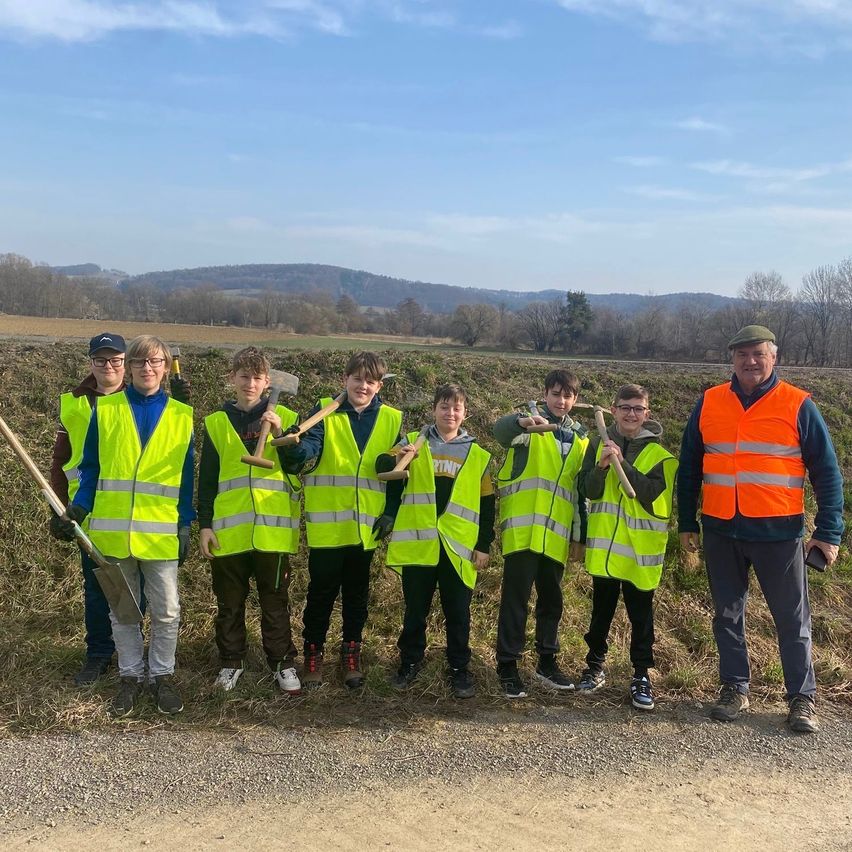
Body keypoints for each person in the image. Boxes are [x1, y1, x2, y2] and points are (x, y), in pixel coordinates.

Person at [678, 325, 844, 733]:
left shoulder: (798, 404)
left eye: (758, 354)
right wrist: (686, 522)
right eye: (742, 355)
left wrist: (828, 531)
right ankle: (734, 688)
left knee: (791, 619)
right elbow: (689, 467)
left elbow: (827, 472)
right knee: (726, 615)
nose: (750, 361)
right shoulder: (709, 401)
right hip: (721, 529)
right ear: (732, 359)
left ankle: (802, 698)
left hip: (779, 533)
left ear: (774, 356)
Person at [59, 335, 195, 717]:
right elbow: (90, 469)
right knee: (123, 611)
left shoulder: (181, 415)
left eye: (155, 362)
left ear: (165, 368)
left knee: (167, 611)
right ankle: (130, 676)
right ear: (130, 367)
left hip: (161, 533)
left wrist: (185, 523)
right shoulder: (106, 410)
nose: (147, 368)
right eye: (139, 362)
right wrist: (79, 508)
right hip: (114, 533)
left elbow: (186, 477)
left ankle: (162, 676)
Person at [280, 351, 401, 689]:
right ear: (345, 379)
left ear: (379, 386)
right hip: (329, 530)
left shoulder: (392, 419)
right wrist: (293, 449)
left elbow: (398, 470)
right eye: (357, 378)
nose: (363, 386)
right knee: (320, 595)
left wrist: (391, 511)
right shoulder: (324, 412)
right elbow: (309, 451)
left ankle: (351, 655)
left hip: (366, 529)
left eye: (370, 381)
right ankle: (313, 654)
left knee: (357, 597)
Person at [197, 347, 302, 695]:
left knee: (275, 602)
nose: (250, 383)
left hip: (273, 531)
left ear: (268, 381)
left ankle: (282, 663)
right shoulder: (216, 423)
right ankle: (231, 662)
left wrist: (282, 435)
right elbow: (208, 480)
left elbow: (298, 467)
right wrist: (205, 525)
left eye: (257, 377)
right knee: (229, 603)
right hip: (229, 531)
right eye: (244, 376)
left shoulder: (286, 416)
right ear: (232, 378)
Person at [380, 384, 494, 699]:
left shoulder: (477, 454)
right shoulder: (413, 442)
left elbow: (487, 505)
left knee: (458, 612)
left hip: (458, 548)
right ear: (434, 410)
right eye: (444, 407)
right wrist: (398, 457)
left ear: (465, 413)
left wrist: (484, 544)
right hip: (420, 542)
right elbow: (383, 468)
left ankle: (459, 668)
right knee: (415, 610)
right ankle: (409, 662)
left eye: (456, 408)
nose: (450, 413)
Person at [576, 384, 678, 711]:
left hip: (639, 553)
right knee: (600, 613)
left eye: (637, 408)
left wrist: (625, 465)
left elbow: (649, 493)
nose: (631, 414)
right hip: (606, 548)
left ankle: (641, 675)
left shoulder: (661, 456)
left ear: (647, 413)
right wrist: (601, 467)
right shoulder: (597, 444)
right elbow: (588, 490)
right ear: (614, 410)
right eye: (625, 407)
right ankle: (594, 665)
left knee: (641, 616)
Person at [492, 369, 588, 698]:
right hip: (523, 531)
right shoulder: (529, 422)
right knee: (515, 601)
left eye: (567, 395)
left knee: (552, 602)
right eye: (556, 393)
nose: (561, 400)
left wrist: (579, 536)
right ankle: (507, 665)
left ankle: (547, 662)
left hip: (556, 535)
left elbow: (580, 494)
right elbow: (500, 431)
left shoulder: (581, 439)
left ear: (575, 399)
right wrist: (521, 423)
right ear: (545, 393)